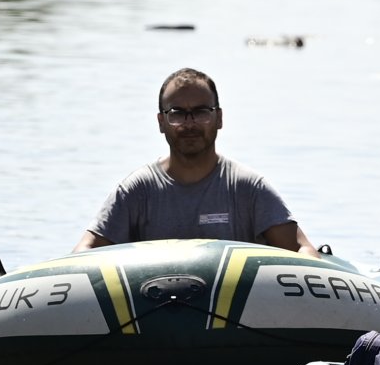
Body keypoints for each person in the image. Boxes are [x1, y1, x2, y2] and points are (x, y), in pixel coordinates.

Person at [73, 68, 317, 254]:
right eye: (177, 114)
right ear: (161, 123)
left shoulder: (247, 188)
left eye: (201, 112)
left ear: (219, 118)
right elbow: (82, 255)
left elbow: (303, 251)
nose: (189, 124)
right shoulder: (136, 191)